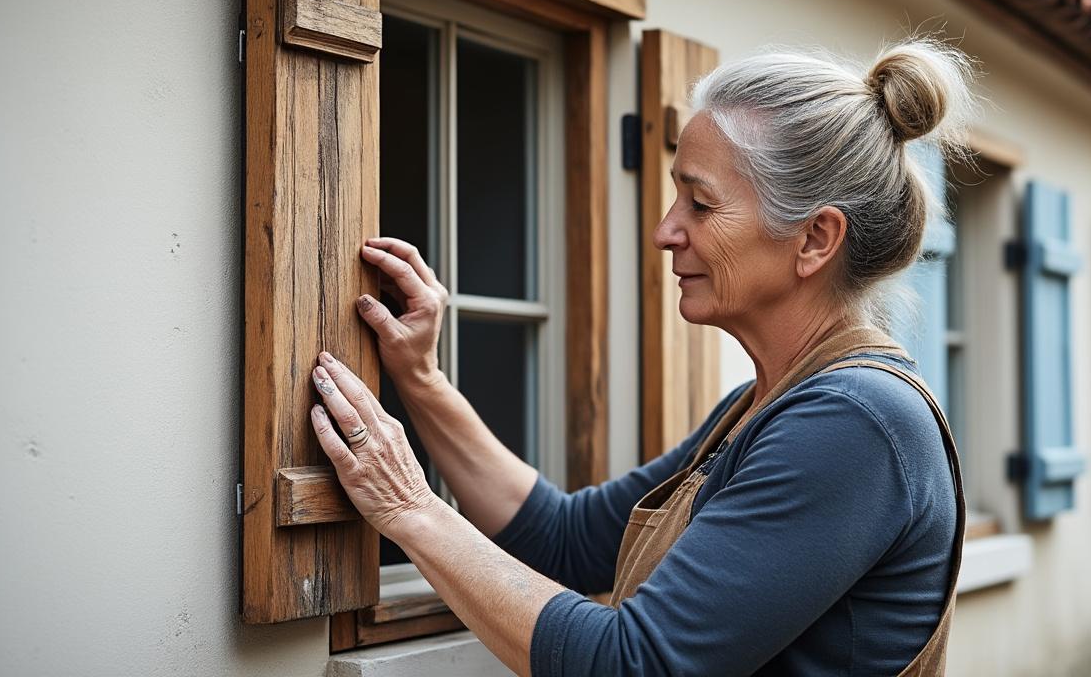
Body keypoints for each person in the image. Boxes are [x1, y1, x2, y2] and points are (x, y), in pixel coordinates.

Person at [306, 36, 977, 676]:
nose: (665, 230)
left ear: (815, 239)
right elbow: (563, 540)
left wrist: (411, 509)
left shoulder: (855, 426)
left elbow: (632, 663)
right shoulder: (766, 408)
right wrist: (420, 379)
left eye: (701, 203)